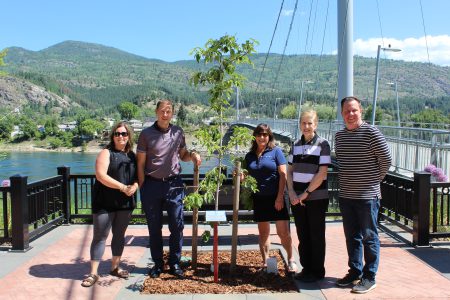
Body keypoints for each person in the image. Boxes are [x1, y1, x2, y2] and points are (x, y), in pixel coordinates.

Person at [137, 99, 201, 279]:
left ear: (172, 113)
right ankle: (158, 264)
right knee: (154, 228)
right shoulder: (146, 134)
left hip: (174, 185)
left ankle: (174, 263)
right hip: (152, 185)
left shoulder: (178, 132)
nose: (165, 114)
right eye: (162, 111)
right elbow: (140, 164)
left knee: (177, 226)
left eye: (169, 111)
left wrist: (193, 155)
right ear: (156, 112)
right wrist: (143, 187)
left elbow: (183, 155)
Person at [335, 96, 391, 294]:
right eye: (346, 111)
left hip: (368, 196)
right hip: (347, 196)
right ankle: (355, 271)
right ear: (342, 114)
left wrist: (375, 181)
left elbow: (386, 160)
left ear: (361, 111)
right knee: (352, 237)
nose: (350, 114)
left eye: (354, 110)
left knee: (369, 237)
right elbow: (342, 161)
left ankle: (370, 276)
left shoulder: (371, 132)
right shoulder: (339, 137)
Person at [81, 121, 138, 287]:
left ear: (129, 137)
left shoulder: (132, 156)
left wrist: (134, 186)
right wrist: (122, 187)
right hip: (104, 203)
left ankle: (115, 268)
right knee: (100, 237)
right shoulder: (106, 153)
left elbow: (137, 178)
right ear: (113, 136)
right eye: (117, 133)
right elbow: (100, 175)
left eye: (124, 134)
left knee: (119, 236)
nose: (121, 136)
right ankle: (93, 274)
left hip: (125, 203)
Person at [243, 123, 297, 273]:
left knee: (283, 232)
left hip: (277, 196)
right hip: (260, 198)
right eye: (259, 134)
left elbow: (284, 174)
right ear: (254, 136)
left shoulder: (276, 151)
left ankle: (291, 260)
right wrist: (241, 177)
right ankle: (266, 262)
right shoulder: (249, 156)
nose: (262, 137)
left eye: (265, 135)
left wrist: (279, 198)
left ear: (269, 137)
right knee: (263, 233)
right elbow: (247, 176)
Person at [287, 110, 331, 283]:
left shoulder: (323, 144)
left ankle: (317, 271)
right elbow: (289, 170)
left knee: (316, 235)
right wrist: (291, 192)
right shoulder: (295, 144)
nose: (306, 126)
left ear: (316, 125)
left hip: (315, 198)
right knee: (303, 234)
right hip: (297, 198)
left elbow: (322, 173)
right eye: (303, 123)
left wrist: (306, 194)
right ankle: (306, 268)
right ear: (300, 124)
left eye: (310, 123)